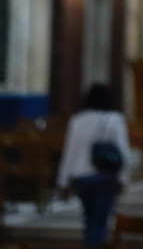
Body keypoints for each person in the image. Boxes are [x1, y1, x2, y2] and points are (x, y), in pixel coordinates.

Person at [56, 82, 131, 247]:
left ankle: (89, 243)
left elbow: (70, 153)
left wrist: (63, 182)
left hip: (81, 177)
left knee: (89, 220)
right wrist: (124, 179)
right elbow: (123, 152)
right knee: (101, 222)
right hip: (105, 176)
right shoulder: (114, 119)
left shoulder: (77, 120)